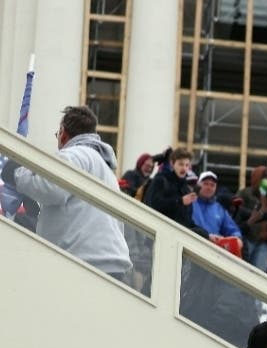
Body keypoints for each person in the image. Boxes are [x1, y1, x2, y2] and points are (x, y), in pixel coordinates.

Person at [1, 104, 132, 281]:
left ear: (63, 132)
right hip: (108, 262)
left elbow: (51, 188)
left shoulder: (74, 154)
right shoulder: (102, 167)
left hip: (84, 262)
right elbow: (74, 205)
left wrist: (16, 174)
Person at [144, 146, 203, 234]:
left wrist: (207, 235)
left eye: (186, 165)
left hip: (177, 237)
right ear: (172, 163)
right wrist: (180, 201)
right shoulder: (161, 180)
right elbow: (154, 204)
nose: (184, 168)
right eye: (181, 164)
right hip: (158, 234)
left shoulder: (186, 189)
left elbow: (187, 221)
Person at [191, 171, 242, 242]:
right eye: (205, 184)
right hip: (190, 243)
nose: (209, 188)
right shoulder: (189, 202)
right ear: (198, 184)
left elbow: (233, 230)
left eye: (212, 185)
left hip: (213, 249)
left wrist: (237, 238)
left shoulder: (220, 209)